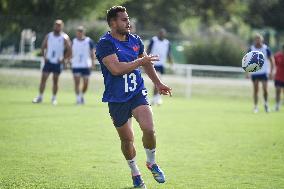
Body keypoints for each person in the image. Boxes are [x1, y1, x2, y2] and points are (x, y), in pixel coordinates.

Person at [96, 6, 172, 188]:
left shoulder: (135, 40)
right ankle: (135, 172)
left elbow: (147, 64)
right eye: (123, 19)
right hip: (116, 99)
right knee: (127, 140)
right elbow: (115, 69)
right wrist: (140, 61)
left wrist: (158, 83)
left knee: (149, 128)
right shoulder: (105, 43)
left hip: (137, 93)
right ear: (113, 23)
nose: (128, 22)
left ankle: (152, 162)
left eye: (128, 18)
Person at [32, 20, 71, 105]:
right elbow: (43, 47)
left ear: (62, 26)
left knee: (55, 81)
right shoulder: (49, 36)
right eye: (56, 25)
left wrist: (64, 59)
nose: (57, 27)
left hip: (57, 62)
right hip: (49, 61)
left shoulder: (64, 37)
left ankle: (54, 98)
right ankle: (40, 97)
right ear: (54, 26)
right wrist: (44, 57)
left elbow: (69, 50)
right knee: (43, 79)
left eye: (59, 25)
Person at [247, 33, 274, 113]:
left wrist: (271, 72)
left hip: (264, 72)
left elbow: (272, 60)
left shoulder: (266, 49)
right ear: (254, 40)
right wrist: (247, 72)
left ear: (261, 40)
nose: (257, 40)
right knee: (256, 90)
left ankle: (266, 104)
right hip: (255, 72)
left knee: (265, 89)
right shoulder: (251, 48)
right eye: (256, 39)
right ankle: (255, 107)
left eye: (259, 39)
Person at [147, 28, 173, 105]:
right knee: (157, 81)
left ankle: (156, 97)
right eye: (160, 33)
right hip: (153, 64)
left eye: (163, 33)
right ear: (158, 33)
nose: (162, 35)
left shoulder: (167, 43)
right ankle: (157, 97)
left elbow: (169, 54)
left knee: (157, 82)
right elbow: (148, 50)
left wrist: (171, 63)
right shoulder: (153, 40)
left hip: (161, 64)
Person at [71, 26, 96, 104]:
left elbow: (92, 52)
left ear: (83, 32)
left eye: (81, 32)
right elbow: (70, 52)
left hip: (86, 65)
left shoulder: (89, 41)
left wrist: (93, 62)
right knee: (77, 82)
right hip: (76, 64)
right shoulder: (73, 41)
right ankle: (78, 98)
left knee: (85, 83)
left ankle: (82, 95)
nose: (79, 33)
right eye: (78, 32)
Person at [274, 44, 284, 111]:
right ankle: (277, 105)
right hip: (278, 76)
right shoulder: (277, 55)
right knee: (278, 91)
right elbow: (274, 64)